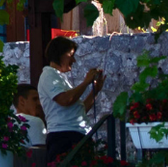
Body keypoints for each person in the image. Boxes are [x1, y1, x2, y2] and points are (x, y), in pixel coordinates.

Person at [36, 37, 102, 166]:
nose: (74, 60)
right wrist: (86, 82)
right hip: (63, 138)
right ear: (59, 54)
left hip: (75, 135)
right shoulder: (48, 75)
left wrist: (95, 91)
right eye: (70, 55)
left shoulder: (60, 78)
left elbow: (79, 110)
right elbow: (65, 100)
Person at [13, 78, 45, 160]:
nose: (39, 103)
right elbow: (40, 155)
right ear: (22, 101)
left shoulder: (8, 122)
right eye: (35, 99)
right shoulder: (35, 121)